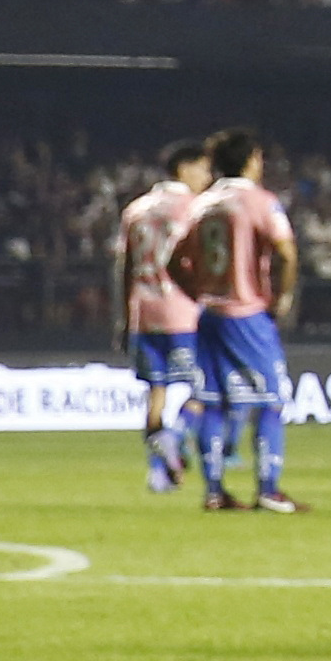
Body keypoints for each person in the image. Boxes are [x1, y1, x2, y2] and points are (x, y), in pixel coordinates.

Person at [171, 128, 302, 514]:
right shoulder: (260, 201)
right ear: (249, 161)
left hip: (209, 315)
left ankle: (214, 492)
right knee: (271, 401)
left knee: (211, 402)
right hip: (247, 315)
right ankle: (268, 490)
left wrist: (198, 292)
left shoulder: (202, 203)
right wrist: (283, 296)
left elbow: (173, 260)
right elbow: (286, 251)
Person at [114, 137, 212, 494]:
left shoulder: (136, 209)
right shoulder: (196, 207)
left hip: (144, 311)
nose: (207, 176)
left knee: (155, 394)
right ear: (184, 169)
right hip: (184, 312)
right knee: (207, 389)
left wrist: (124, 318)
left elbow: (124, 267)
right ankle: (176, 436)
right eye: (203, 168)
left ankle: (159, 473)